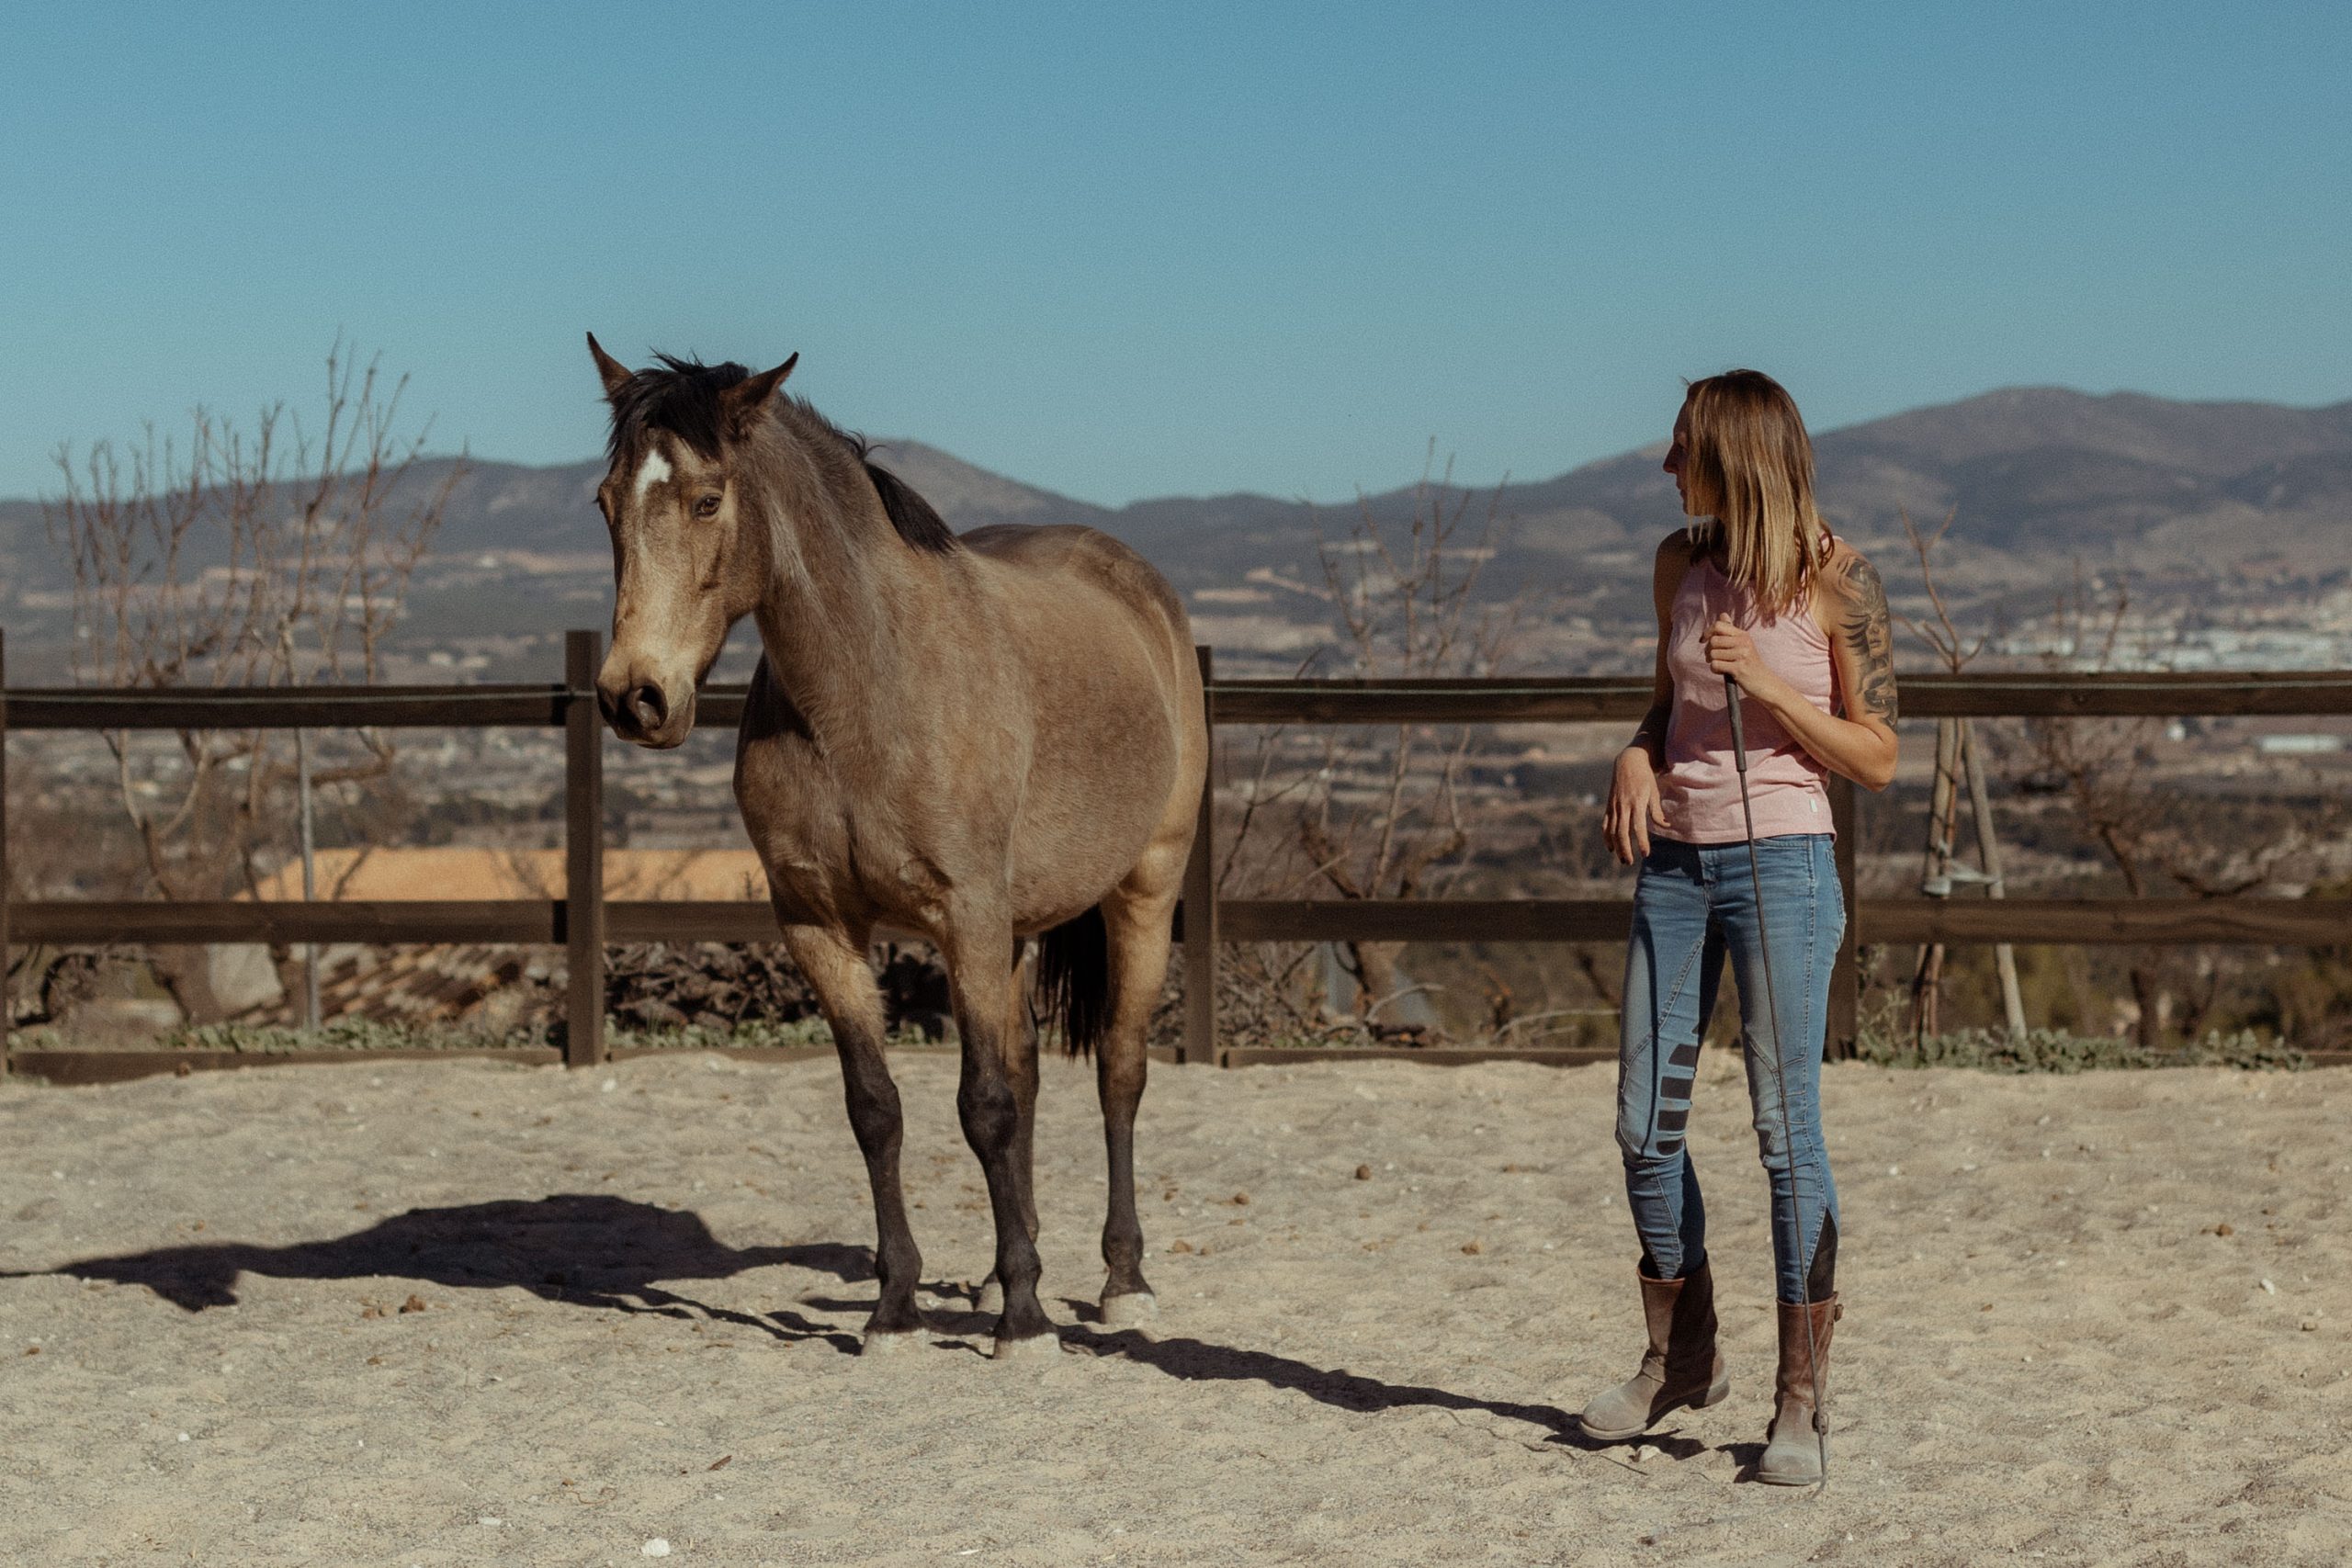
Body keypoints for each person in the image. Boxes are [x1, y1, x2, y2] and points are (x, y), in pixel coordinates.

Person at [1577, 370, 1898, 1485]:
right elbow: (1665, 708)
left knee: (1782, 1130)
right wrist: (1633, 747)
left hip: (1786, 869)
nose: (1666, 470)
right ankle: (1680, 1357)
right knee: (1640, 1125)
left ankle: (1801, 1400)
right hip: (1672, 865)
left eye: (1684, 451)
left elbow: (1878, 757)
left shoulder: (1842, 585)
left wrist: (1770, 687)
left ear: (1738, 458)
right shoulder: (1679, 566)